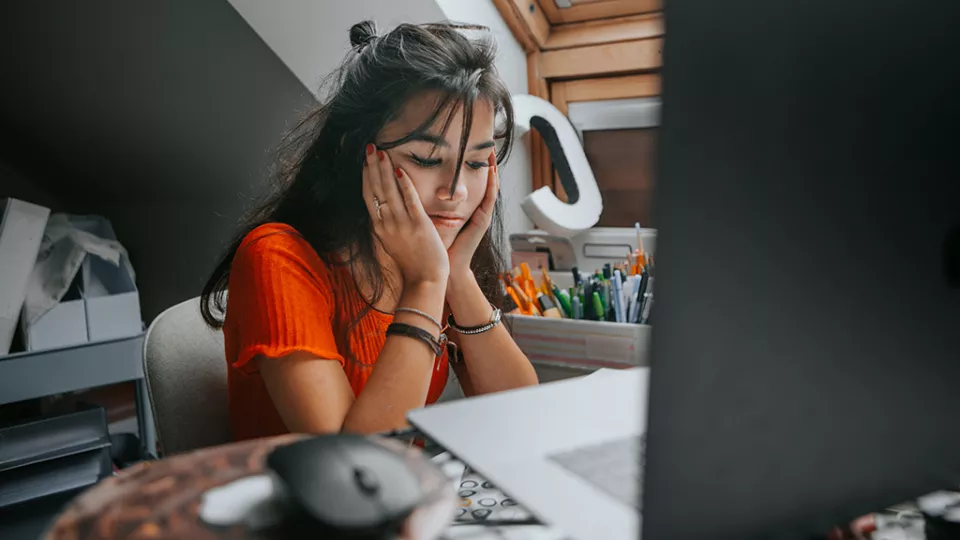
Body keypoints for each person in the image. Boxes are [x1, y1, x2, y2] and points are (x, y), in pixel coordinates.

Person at [200, 20, 539, 441]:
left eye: (474, 164)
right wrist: (428, 281)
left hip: (402, 494)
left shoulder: (433, 256)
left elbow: (521, 416)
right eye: (427, 160)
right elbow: (352, 463)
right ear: (355, 152)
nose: (455, 192)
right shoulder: (277, 257)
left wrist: (457, 275)